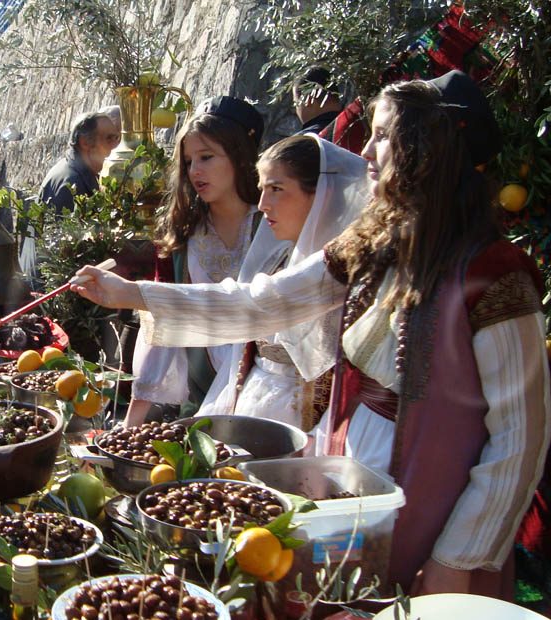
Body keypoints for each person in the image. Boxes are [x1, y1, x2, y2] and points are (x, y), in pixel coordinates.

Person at [71, 71, 550, 599]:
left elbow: (519, 437)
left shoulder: (495, 274)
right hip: (351, 486)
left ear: (432, 148)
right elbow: (264, 301)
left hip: (436, 506)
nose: (366, 149)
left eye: (385, 134)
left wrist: (459, 556)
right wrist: (134, 294)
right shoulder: (370, 246)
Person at [202, 134, 367, 431]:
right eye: (263, 189)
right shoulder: (274, 259)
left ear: (322, 195)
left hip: (308, 420)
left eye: (276, 189)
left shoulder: (344, 273)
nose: (263, 205)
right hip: (253, 399)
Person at [126, 96, 266, 427]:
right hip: (201, 402)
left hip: (263, 401)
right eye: (189, 161)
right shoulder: (182, 238)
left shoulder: (270, 225)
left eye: (206, 157)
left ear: (239, 156)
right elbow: (161, 323)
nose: (195, 171)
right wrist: (131, 423)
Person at [39, 111, 120, 213]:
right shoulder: (71, 185)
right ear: (85, 143)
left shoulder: (77, 173)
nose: (117, 146)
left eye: (117, 138)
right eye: (109, 138)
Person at [293, 67, 344, 136]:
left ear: (308, 100)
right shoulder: (359, 128)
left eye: (296, 103)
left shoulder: (300, 142)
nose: (296, 111)